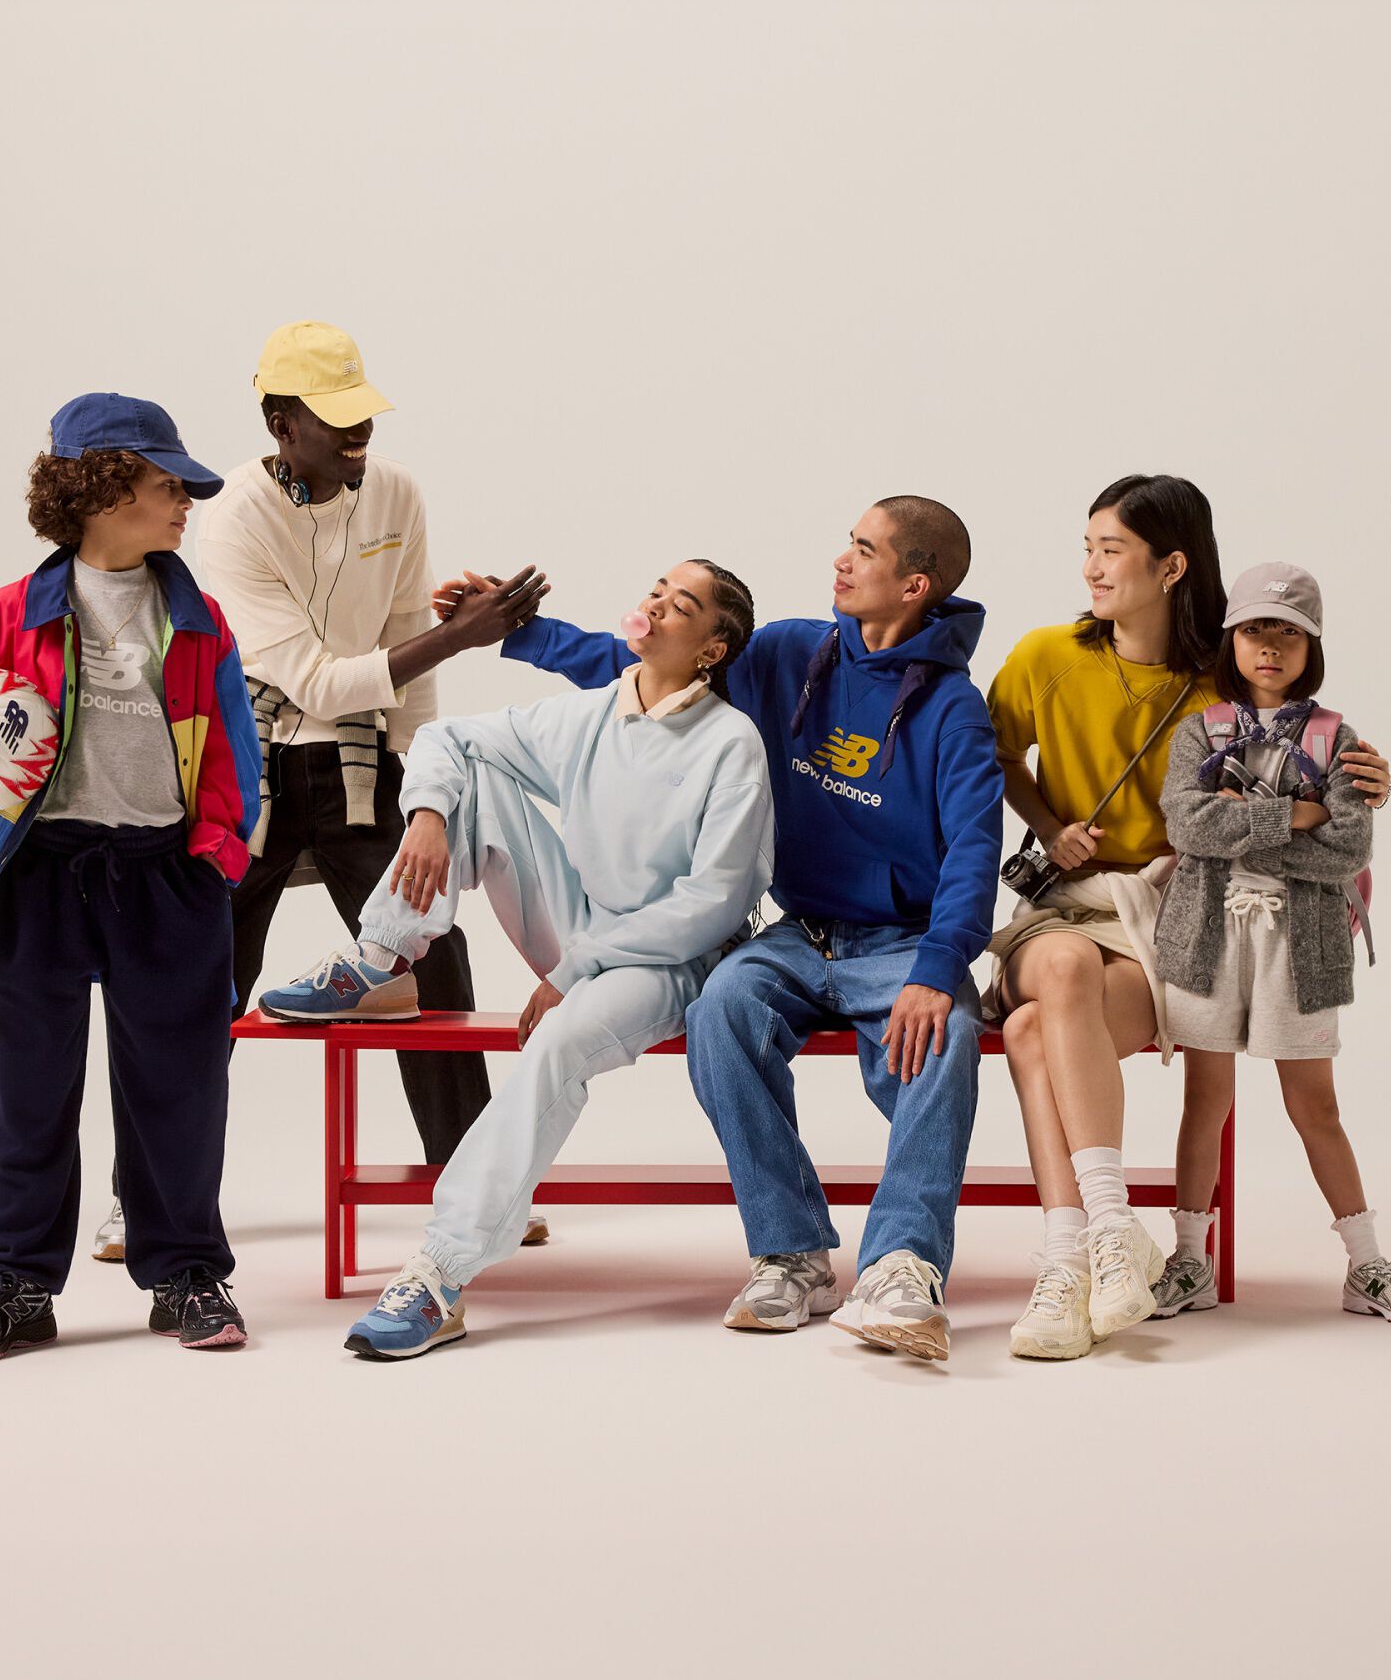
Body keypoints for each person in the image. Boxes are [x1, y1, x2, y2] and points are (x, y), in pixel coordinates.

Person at [452, 498, 1002, 1364]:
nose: (843, 559)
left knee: (948, 1036)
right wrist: (520, 633)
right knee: (721, 1009)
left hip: (902, 942)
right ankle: (792, 1253)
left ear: (915, 582)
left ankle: (902, 1265)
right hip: (801, 932)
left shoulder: (953, 711)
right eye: (849, 542)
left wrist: (939, 969)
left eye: (865, 549)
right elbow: (650, 667)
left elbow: (976, 850)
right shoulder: (789, 653)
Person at [88, 320, 550, 1263]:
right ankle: (145, 1195)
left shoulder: (397, 492)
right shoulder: (235, 518)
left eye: (362, 416)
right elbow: (314, 680)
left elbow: (404, 675)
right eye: (333, 420)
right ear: (278, 421)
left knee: (432, 952)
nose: (357, 436)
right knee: (204, 974)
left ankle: (469, 1187)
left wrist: (427, 794)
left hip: (357, 763)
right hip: (248, 760)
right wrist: (463, 636)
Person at [261, 562, 772, 1361]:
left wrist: (576, 971)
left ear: (712, 650)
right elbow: (444, 737)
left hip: (669, 963)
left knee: (556, 1044)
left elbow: (712, 903)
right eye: (658, 591)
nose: (657, 605)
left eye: (684, 605)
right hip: (584, 934)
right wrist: (429, 815)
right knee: (471, 772)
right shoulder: (593, 715)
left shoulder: (730, 744)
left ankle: (440, 1274)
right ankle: (379, 956)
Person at [0, 394, 262, 1359]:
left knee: (179, 1084)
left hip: (167, 878)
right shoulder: (5, 613)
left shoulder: (197, 617)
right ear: (101, 489)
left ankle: (187, 1273)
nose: (184, 506)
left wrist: (216, 857)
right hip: (43, 872)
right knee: (26, 1084)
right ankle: (14, 1284)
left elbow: (239, 764)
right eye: (167, 486)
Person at [985, 475, 1391, 1361]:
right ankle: (1110, 1228)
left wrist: (1364, 783)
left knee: (1029, 1035)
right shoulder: (1043, 654)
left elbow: (1309, 762)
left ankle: (1068, 1262)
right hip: (1058, 914)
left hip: (1162, 922)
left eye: (1110, 550)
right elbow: (991, 758)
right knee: (1055, 973)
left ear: (1171, 566)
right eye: (1087, 546)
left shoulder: (1223, 678)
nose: (1090, 567)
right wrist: (1051, 830)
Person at [1150, 563, 1391, 1325]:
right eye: (1255, 630)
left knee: (1315, 1106)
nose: (1271, 647)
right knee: (1204, 1101)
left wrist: (1246, 823)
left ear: (1312, 645)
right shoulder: (1198, 730)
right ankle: (1189, 1259)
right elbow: (1186, 827)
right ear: (1231, 639)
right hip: (1207, 937)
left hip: (1302, 940)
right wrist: (1297, 815)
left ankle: (1367, 1262)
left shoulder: (1338, 737)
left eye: (1289, 633)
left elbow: (1347, 849)